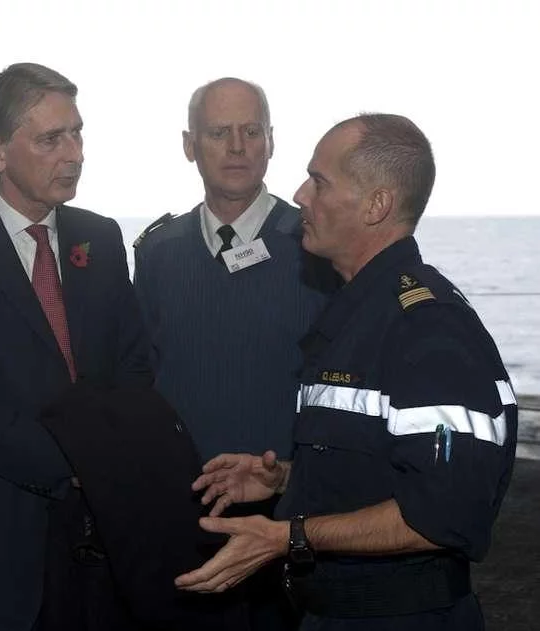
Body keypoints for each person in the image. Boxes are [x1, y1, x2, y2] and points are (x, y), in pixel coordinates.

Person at [175, 114, 518, 630]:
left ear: (376, 205)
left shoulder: (426, 328)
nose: (299, 195)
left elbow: (445, 513)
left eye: (319, 181)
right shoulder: (358, 314)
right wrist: (287, 479)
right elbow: (384, 463)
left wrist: (286, 534)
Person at [0, 62, 152, 631]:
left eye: (78, 132)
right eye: (51, 139)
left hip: (102, 538)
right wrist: (78, 460)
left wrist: (111, 456)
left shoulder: (102, 236)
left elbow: (134, 364)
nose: (75, 153)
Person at [134, 77, 334, 630]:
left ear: (272, 141)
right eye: (219, 132)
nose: (238, 146)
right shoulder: (157, 251)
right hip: (185, 507)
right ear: (188, 145)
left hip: (291, 506)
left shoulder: (317, 244)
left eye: (251, 131)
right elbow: (144, 376)